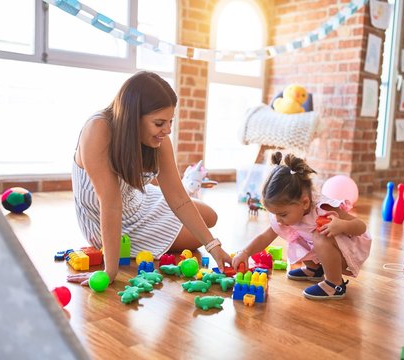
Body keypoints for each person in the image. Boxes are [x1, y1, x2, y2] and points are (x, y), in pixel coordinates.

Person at [68, 71, 232, 285]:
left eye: (170, 121)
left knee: (210, 217)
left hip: (137, 202)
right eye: (159, 123)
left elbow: (178, 197)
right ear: (132, 116)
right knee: (193, 239)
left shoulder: (159, 139)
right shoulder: (98, 129)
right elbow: (110, 203)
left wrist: (214, 247)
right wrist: (110, 272)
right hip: (104, 216)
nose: (167, 130)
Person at [232, 152, 371, 300]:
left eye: (282, 214)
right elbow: (265, 236)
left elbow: (361, 227)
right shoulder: (291, 213)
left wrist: (342, 225)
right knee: (295, 235)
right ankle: (314, 270)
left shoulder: (322, 208)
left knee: (319, 236)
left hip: (348, 249)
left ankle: (335, 284)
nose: (278, 220)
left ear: (305, 203)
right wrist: (245, 252)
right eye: (274, 214)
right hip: (322, 248)